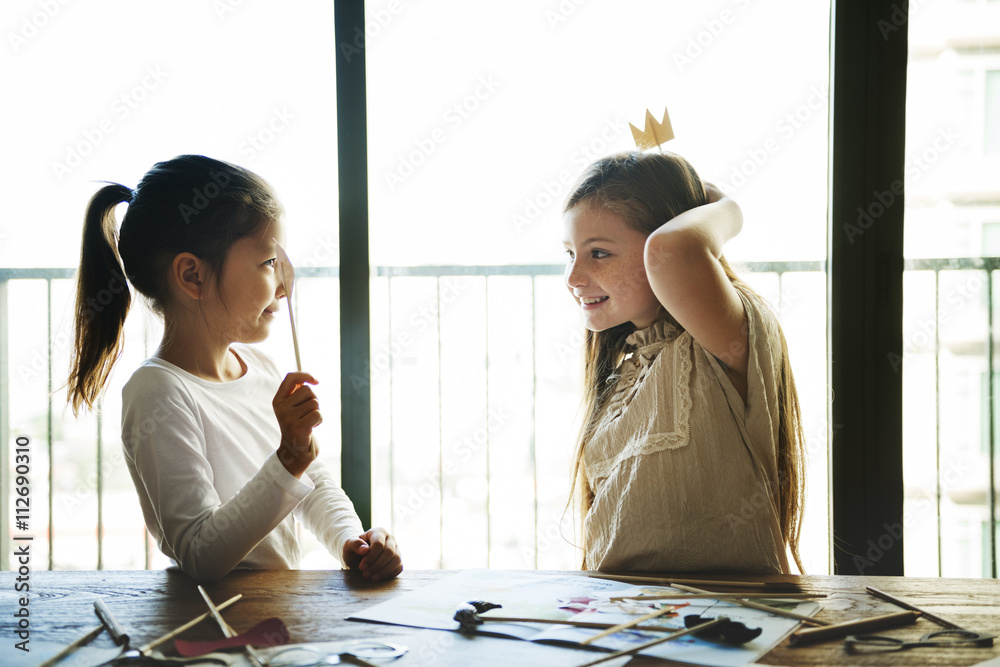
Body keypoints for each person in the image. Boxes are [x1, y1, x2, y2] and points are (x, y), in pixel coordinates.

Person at [67, 155, 402, 583]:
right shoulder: (159, 392)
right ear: (192, 275)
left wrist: (351, 541)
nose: (284, 283)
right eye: (268, 264)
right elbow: (199, 553)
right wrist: (287, 459)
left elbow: (310, 478)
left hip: (271, 615)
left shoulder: (259, 368)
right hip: (213, 626)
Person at [563, 151, 805, 574]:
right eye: (570, 254)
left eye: (599, 253)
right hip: (624, 621)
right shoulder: (628, 367)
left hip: (726, 620)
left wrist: (724, 206)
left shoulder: (722, 335)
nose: (573, 277)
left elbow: (674, 251)